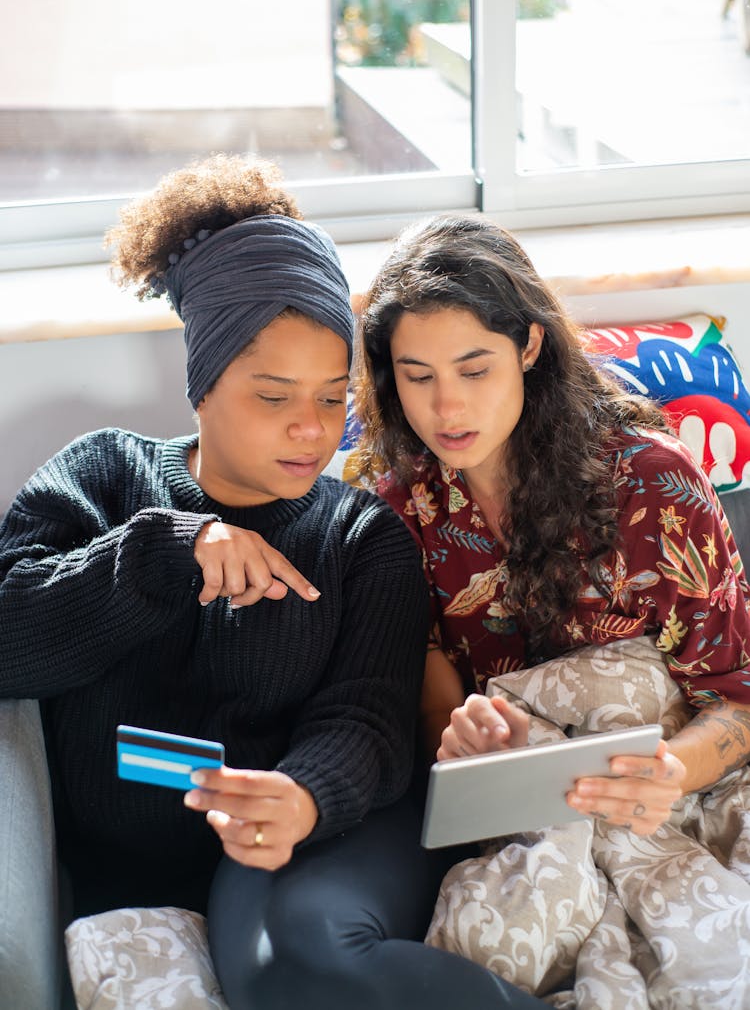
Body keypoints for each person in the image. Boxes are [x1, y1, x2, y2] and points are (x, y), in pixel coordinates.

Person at [0, 159, 549, 1010]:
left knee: (296, 964)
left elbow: (367, 716)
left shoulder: (362, 537)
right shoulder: (104, 479)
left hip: (320, 840)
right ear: (203, 385)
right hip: (137, 863)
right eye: (274, 395)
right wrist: (163, 553)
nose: (311, 429)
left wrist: (302, 796)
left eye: (333, 399)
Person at [354, 213, 750, 837]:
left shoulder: (657, 486)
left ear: (530, 347)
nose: (447, 407)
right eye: (418, 376)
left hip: (666, 789)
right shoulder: (396, 509)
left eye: (475, 369)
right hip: (519, 808)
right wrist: (465, 742)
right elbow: (435, 707)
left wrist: (669, 772)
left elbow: (738, 696)